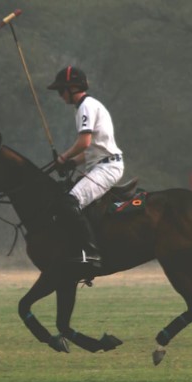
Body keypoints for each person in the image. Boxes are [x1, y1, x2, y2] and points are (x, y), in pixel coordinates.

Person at [47, 65, 124, 272]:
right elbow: (91, 149)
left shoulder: (85, 106)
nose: (60, 95)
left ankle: (91, 252)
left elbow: (84, 142)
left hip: (107, 167)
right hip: (101, 164)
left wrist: (63, 157)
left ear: (73, 88)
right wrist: (71, 163)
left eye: (61, 90)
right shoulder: (87, 106)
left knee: (69, 202)